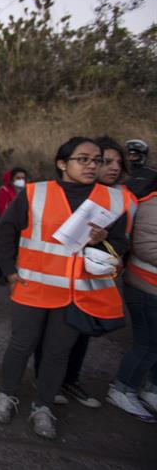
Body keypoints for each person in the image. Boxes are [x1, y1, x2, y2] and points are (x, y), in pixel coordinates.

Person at [0, 136, 128, 439]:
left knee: (56, 354)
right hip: (32, 288)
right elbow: (4, 233)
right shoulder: (34, 193)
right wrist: (10, 273)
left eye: (97, 160)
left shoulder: (113, 200)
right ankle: (6, 395)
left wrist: (102, 240)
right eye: (83, 159)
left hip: (76, 293)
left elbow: (120, 246)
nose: (93, 165)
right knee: (21, 346)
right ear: (62, 164)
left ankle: (43, 406)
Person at [33, 136, 137, 408]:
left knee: (81, 334)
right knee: (53, 338)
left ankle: (68, 380)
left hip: (95, 279)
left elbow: (124, 241)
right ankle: (47, 383)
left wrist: (104, 244)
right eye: (105, 161)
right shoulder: (65, 194)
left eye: (116, 162)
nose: (111, 167)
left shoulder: (119, 200)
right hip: (58, 281)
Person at [107, 177, 157, 423]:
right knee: (147, 344)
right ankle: (122, 389)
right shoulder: (152, 206)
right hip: (147, 287)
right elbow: (146, 247)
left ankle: (150, 389)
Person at [0, 167, 28, 284]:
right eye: (18, 178)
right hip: (9, 225)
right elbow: (1, 208)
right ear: (12, 179)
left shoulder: (27, 191)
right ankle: (3, 275)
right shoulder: (4, 190)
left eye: (23, 178)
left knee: (17, 251)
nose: (21, 180)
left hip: (22, 226)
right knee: (6, 250)